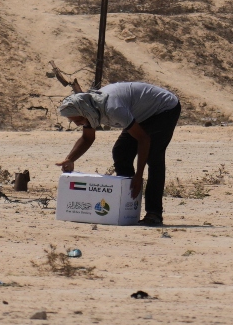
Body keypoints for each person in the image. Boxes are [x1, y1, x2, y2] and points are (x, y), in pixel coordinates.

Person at [56, 82, 180, 226]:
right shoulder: (89, 110)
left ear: (85, 112)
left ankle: (154, 213)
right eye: (73, 121)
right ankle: (128, 207)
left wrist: (138, 176)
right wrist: (69, 159)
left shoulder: (113, 109)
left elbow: (143, 139)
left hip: (163, 108)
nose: (77, 124)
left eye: (77, 120)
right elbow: (87, 138)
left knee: (154, 156)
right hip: (139, 112)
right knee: (121, 152)